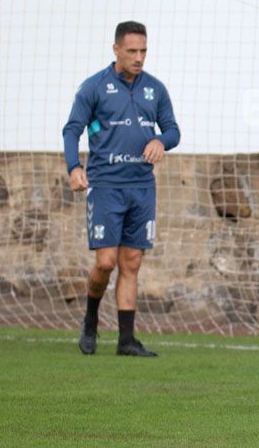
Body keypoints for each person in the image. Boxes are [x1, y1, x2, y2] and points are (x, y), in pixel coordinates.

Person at [63, 21, 180, 356]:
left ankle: (126, 340)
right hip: (105, 185)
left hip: (142, 186)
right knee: (105, 262)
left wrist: (161, 140)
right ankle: (90, 321)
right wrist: (74, 167)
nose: (139, 57)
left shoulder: (154, 89)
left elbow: (173, 130)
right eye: (132, 51)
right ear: (116, 49)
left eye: (143, 51)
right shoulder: (94, 87)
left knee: (132, 261)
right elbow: (72, 129)